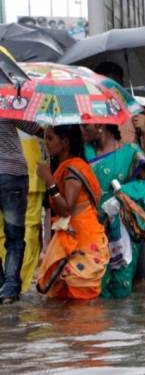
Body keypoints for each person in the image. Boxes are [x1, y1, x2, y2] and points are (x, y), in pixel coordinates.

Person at [35, 125, 110, 300]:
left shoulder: (73, 168)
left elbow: (66, 208)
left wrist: (48, 181)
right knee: (65, 305)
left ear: (65, 143)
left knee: (80, 306)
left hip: (82, 240)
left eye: (51, 138)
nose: (46, 143)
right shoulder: (67, 166)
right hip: (72, 238)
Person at [84, 124, 145, 299]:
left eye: (86, 125)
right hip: (90, 228)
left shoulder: (131, 152)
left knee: (121, 286)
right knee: (90, 285)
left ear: (100, 125)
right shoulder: (82, 152)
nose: (82, 129)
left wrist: (121, 195)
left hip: (123, 229)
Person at [0, 118, 43, 304]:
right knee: (15, 237)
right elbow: (35, 128)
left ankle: (3, 284)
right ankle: (9, 290)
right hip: (13, 174)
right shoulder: (8, 100)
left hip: (13, 174)